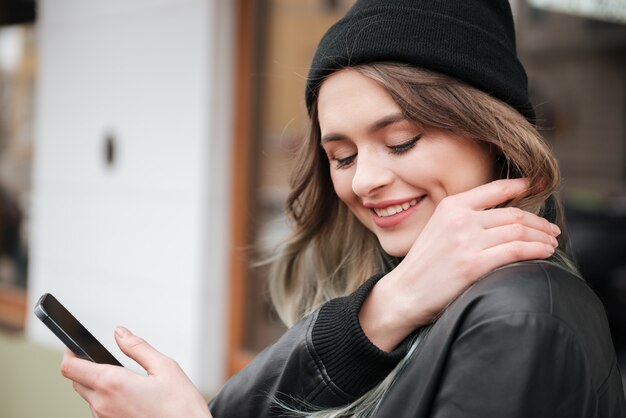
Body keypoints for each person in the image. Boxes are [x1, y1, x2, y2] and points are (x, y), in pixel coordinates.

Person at [60, 0, 626, 417]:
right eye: (342, 155)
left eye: (402, 140)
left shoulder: (520, 316)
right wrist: (389, 305)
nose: (367, 180)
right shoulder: (409, 299)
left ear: (494, 135)